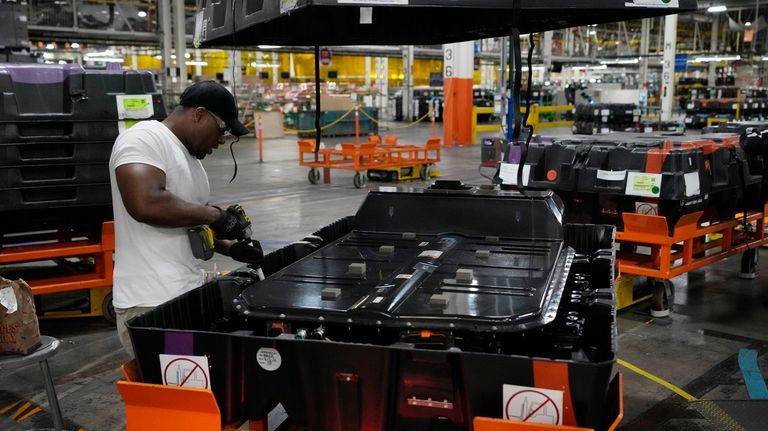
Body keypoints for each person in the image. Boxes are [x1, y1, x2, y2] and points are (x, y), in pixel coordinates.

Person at [109, 80, 263, 357]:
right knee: (178, 386)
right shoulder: (143, 138)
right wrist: (215, 215)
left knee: (196, 384)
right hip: (153, 305)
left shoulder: (192, 161)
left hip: (183, 294)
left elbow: (188, 221)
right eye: (222, 129)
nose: (222, 139)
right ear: (199, 114)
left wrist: (230, 247)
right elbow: (145, 203)